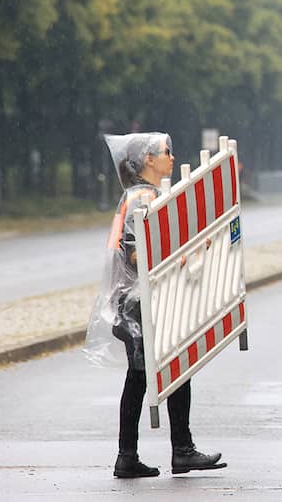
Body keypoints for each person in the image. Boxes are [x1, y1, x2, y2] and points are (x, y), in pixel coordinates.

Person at [86, 133, 226, 478]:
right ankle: (169, 452)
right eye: (166, 152)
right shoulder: (143, 198)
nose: (172, 157)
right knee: (151, 372)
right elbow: (135, 253)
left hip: (137, 299)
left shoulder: (143, 195)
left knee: (157, 370)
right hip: (138, 301)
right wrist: (178, 255)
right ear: (148, 160)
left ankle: (144, 454)